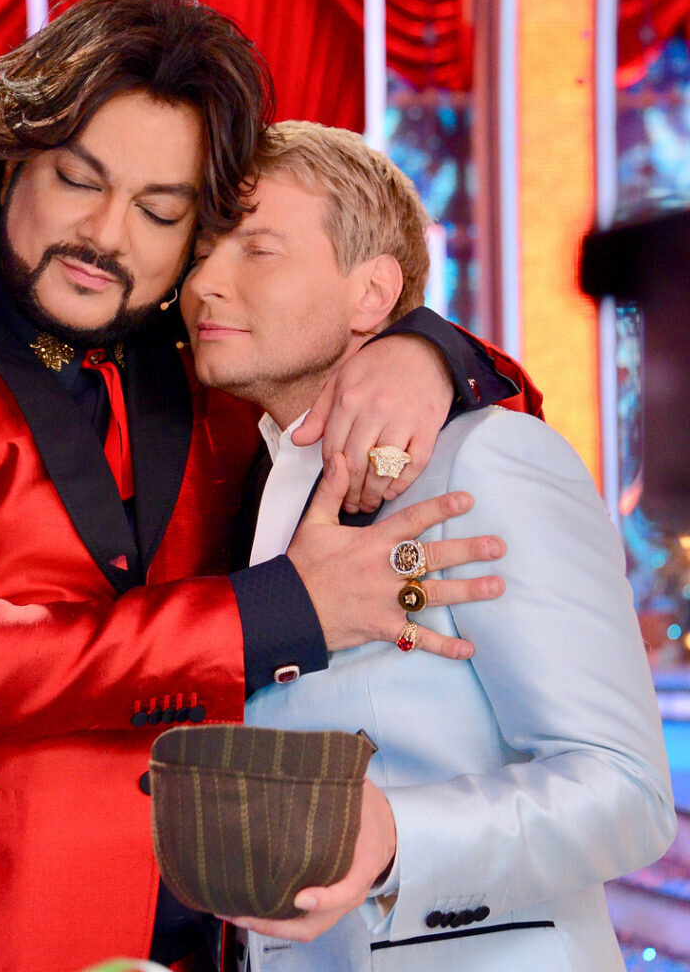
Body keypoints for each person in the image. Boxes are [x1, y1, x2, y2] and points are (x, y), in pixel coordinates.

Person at [0, 0, 537, 972]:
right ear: (8, 161)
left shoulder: (217, 381)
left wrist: (422, 351)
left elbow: (510, 417)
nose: (108, 236)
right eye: (79, 180)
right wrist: (280, 612)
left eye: (160, 210)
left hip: (214, 937)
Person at [180, 120, 676, 972]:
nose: (203, 284)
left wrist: (397, 835)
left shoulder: (491, 457)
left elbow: (626, 793)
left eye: (257, 250)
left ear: (373, 294)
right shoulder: (243, 480)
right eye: (199, 252)